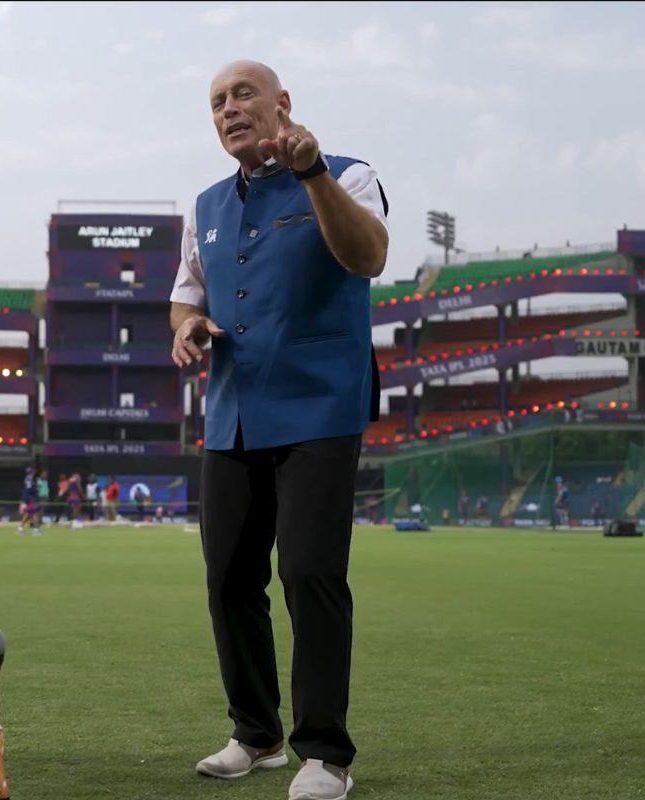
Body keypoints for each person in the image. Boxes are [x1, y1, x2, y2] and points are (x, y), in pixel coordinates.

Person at [169, 61, 387, 799]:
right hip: (231, 411)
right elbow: (184, 296)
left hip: (320, 408)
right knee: (229, 577)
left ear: (282, 104)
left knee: (309, 573)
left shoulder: (350, 175)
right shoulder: (202, 206)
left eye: (243, 95)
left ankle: (325, 754)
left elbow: (369, 257)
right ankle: (255, 736)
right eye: (216, 103)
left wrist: (313, 172)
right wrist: (189, 325)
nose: (229, 110)